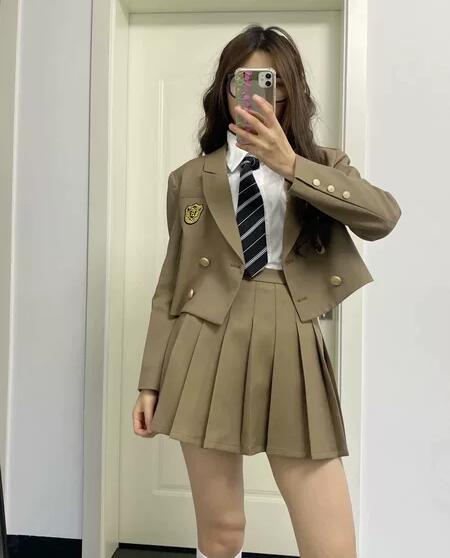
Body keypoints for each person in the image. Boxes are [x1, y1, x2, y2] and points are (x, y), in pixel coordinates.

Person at [132, 24, 401, 558]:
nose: (258, 96)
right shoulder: (190, 178)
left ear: (290, 92)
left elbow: (383, 218)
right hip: (203, 339)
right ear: (224, 90)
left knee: (331, 544)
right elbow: (172, 283)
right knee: (221, 532)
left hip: (291, 331)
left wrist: (291, 164)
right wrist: (150, 382)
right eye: (243, 81)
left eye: (271, 83)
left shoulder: (323, 165)